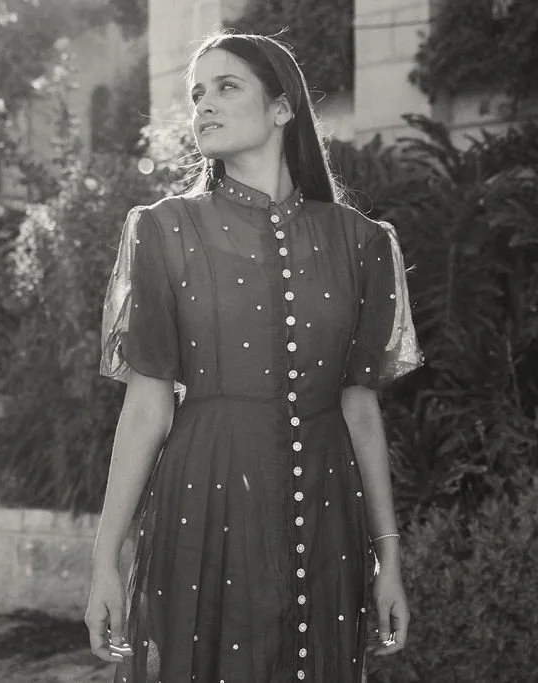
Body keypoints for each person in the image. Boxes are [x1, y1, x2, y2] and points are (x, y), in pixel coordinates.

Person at [87, 30, 424, 682]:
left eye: (225, 86)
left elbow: (361, 413)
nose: (202, 105)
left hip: (327, 521)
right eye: (195, 93)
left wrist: (389, 559)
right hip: (204, 506)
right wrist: (106, 560)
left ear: (281, 107)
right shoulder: (163, 230)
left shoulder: (361, 244)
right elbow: (147, 407)